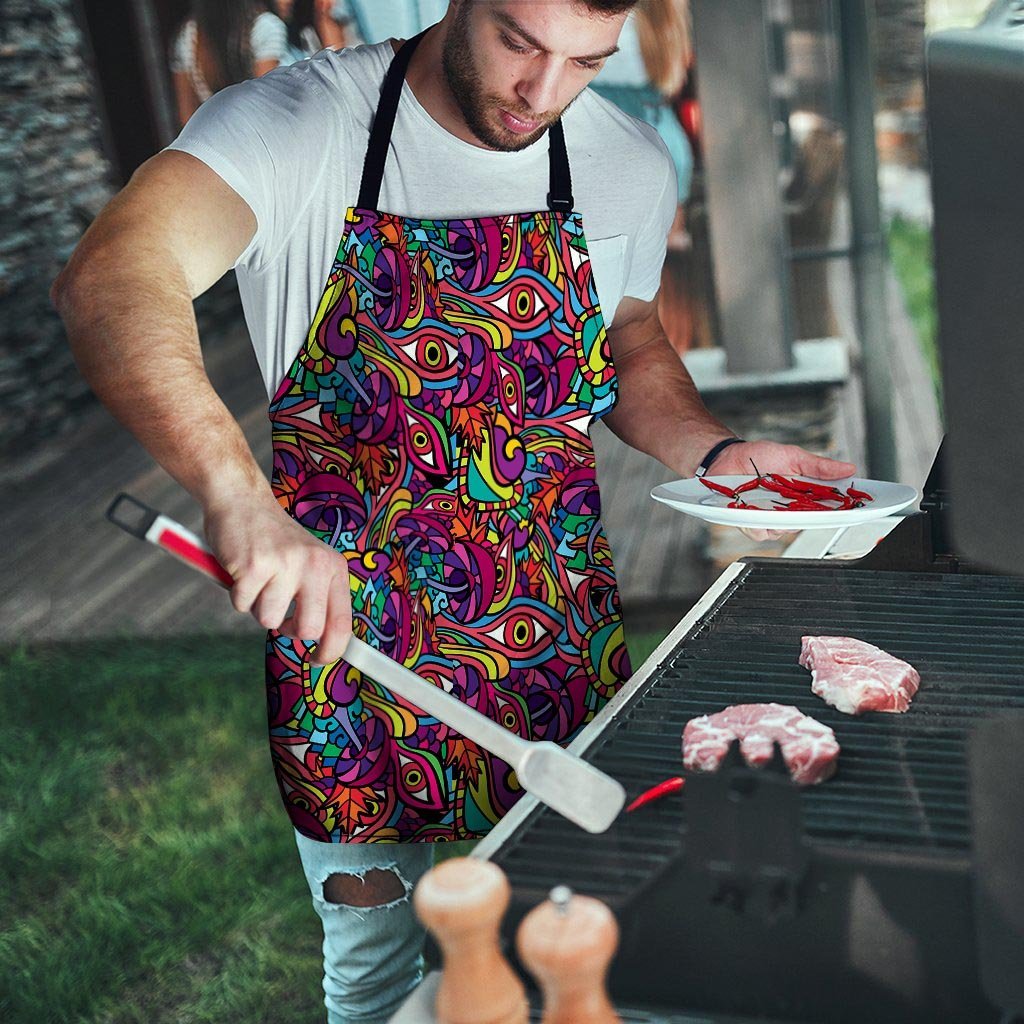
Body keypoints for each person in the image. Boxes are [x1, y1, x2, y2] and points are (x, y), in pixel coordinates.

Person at [52, 1, 856, 1020]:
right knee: (380, 974)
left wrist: (717, 449)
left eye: (585, 62)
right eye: (520, 42)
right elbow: (112, 276)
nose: (543, 92)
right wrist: (236, 497)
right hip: (347, 655)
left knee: (573, 949)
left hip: (553, 642)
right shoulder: (297, 125)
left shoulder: (624, 160)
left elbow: (630, 334)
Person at [170, 0, 289, 126]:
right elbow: (266, 105)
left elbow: (186, 118)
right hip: (264, 136)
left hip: (215, 138)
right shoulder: (265, 27)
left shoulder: (187, 36)